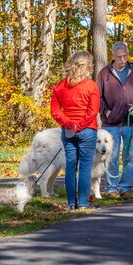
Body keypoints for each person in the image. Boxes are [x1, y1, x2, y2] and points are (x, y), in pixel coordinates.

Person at [96, 41, 133, 197]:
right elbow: (97, 97)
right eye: (119, 57)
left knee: (131, 157)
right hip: (110, 124)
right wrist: (106, 112)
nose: (122, 60)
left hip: (131, 124)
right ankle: (112, 189)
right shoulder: (104, 73)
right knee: (111, 157)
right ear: (112, 56)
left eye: (124, 56)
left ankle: (125, 187)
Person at [50, 50, 101, 210]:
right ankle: (84, 203)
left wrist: (68, 123)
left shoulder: (60, 86)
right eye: (91, 66)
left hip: (68, 131)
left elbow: (55, 110)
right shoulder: (91, 85)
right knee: (85, 167)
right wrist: (79, 125)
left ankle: (72, 203)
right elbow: (93, 111)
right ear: (87, 67)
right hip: (87, 131)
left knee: (71, 167)